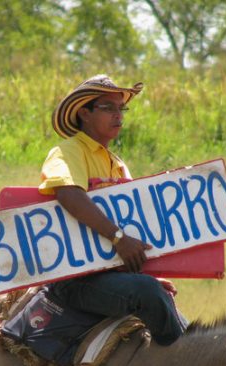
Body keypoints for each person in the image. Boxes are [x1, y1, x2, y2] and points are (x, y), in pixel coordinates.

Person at [38, 74, 185, 346]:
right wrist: (118, 238)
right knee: (149, 294)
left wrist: (148, 274)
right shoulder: (68, 151)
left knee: (172, 308)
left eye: (121, 109)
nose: (118, 116)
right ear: (84, 113)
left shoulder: (118, 164)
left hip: (112, 273)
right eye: (108, 108)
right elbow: (68, 193)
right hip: (76, 278)